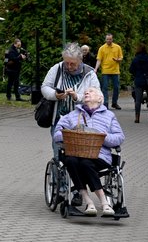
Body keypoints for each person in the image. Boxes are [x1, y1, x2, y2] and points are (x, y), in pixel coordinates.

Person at [52, 87, 125, 216]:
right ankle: (89, 201)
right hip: (75, 153)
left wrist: (102, 137)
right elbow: (57, 134)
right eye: (86, 92)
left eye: (91, 91)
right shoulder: (73, 115)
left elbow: (120, 137)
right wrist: (70, 135)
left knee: (86, 163)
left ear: (100, 98)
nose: (87, 92)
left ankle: (104, 202)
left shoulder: (109, 116)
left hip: (100, 156)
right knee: (71, 160)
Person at [41, 43, 101, 157]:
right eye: (66, 62)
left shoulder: (90, 73)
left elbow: (97, 98)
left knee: (79, 156)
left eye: (72, 64)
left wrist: (77, 97)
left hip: (82, 123)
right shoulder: (57, 68)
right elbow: (45, 87)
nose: (68, 66)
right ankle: (58, 173)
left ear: (80, 60)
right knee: (58, 155)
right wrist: (55, 95)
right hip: (59, 120)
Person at [128, 44, 148, 123]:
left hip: (139, 81)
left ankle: (137, 117)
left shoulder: (135, 59)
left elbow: (131, 70)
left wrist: (137, 74)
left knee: (138, 100)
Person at [96, 34, 124, 109]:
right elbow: (99, 59)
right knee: (105, 88)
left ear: (112, 39)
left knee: (116, 87)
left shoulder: (117, 47)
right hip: (105, 71)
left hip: (115, 71)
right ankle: (105, 103)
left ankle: (114, 103)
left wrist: (118, 60)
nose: (109, 41)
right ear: (105, 40)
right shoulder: (102, 48)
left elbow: (121, 58)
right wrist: (96, 69)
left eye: (110, 39)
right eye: (107, 39)